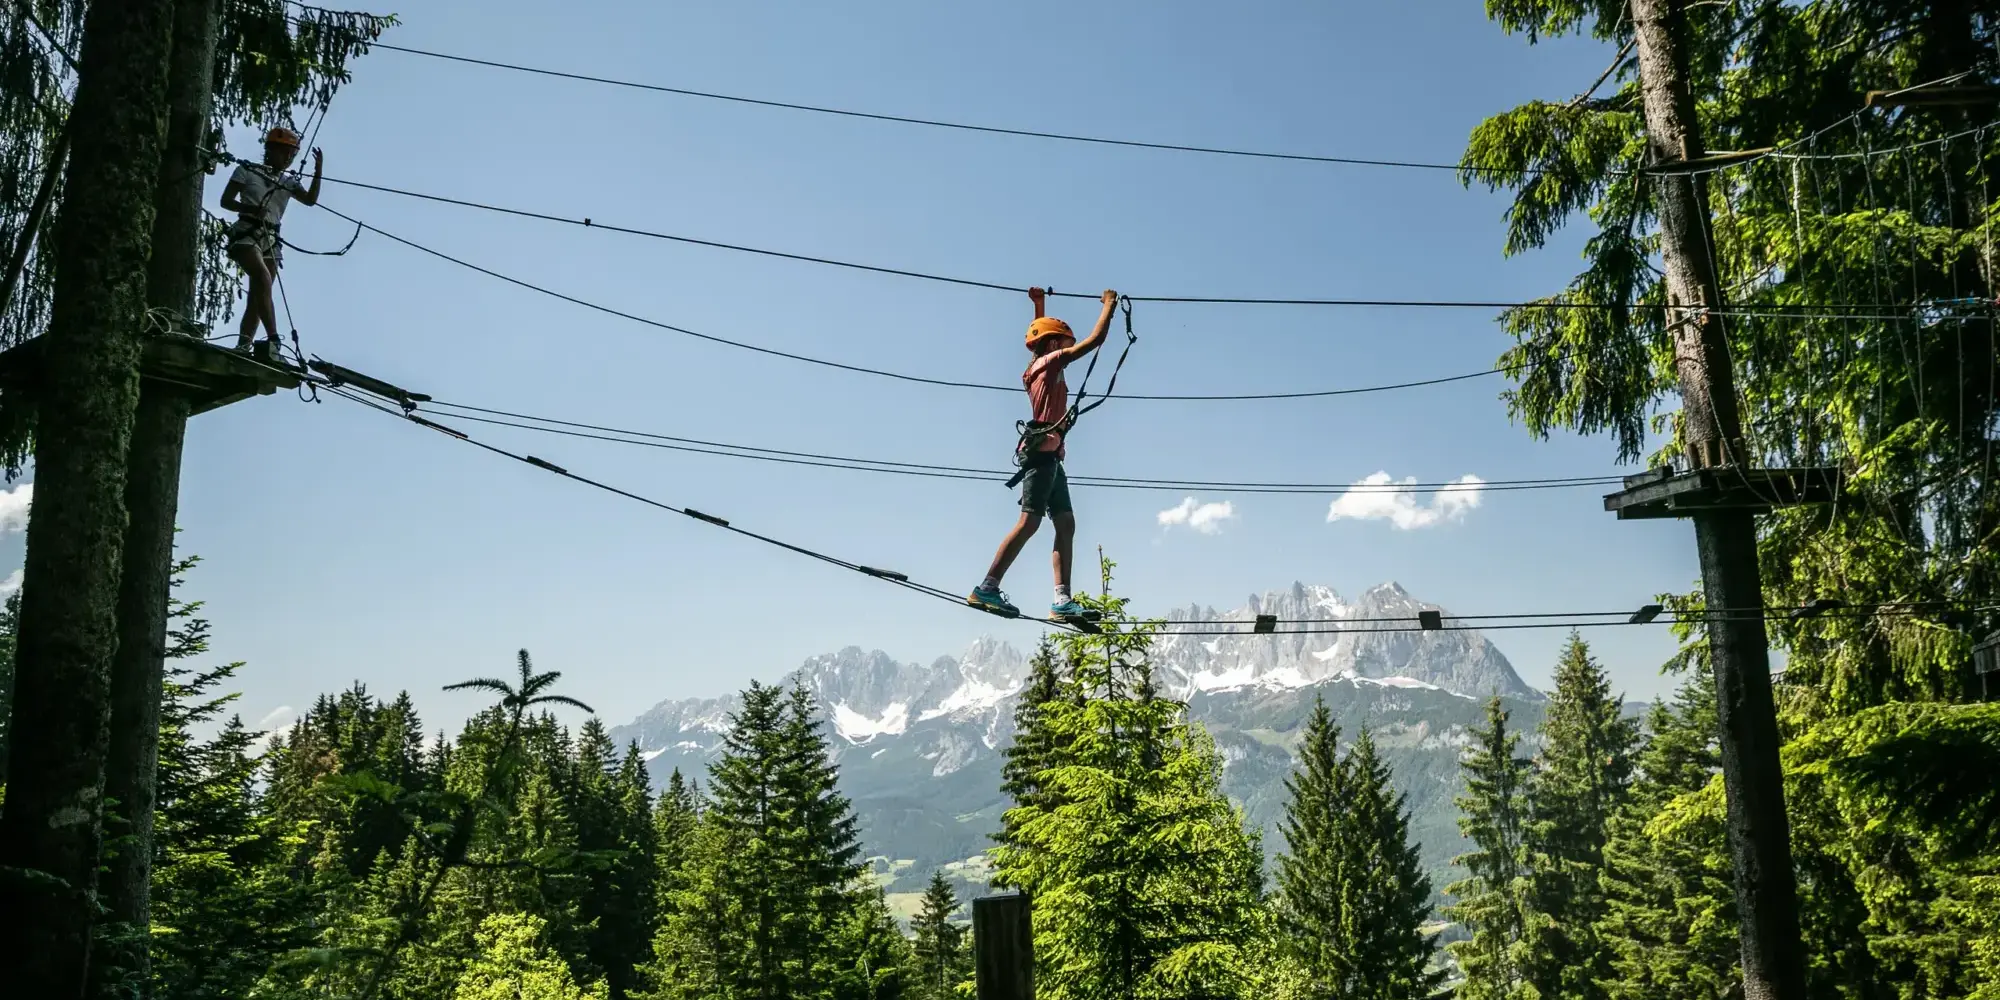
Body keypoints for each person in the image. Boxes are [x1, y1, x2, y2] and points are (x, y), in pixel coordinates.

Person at [969, 287, 1119, 621]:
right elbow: (1095, 341)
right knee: (1030, 522)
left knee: (1065, 522)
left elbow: (1041, 337)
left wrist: (1040, 306)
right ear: (1054, 346)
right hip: (1042, 455)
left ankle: (1062, 601)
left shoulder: (1036, 366)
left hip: (1051, 456)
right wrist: (1108, 305)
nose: (1069, 352)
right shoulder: (1052, 362)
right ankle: (987, 587)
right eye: (1065, 344)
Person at [220, 126, 322, 354]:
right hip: (246, 232)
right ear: (271, 150)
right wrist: (249, 208)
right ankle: (274, 338)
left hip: (271, 239)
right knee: (263, 279)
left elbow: (310, 200)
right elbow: (225, 201)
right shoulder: (247, 171)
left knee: (257, 297)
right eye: (285, 153)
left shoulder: (288, 182)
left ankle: (243, 345)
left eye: (291, 155)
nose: (288, 159)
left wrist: (318, 172)